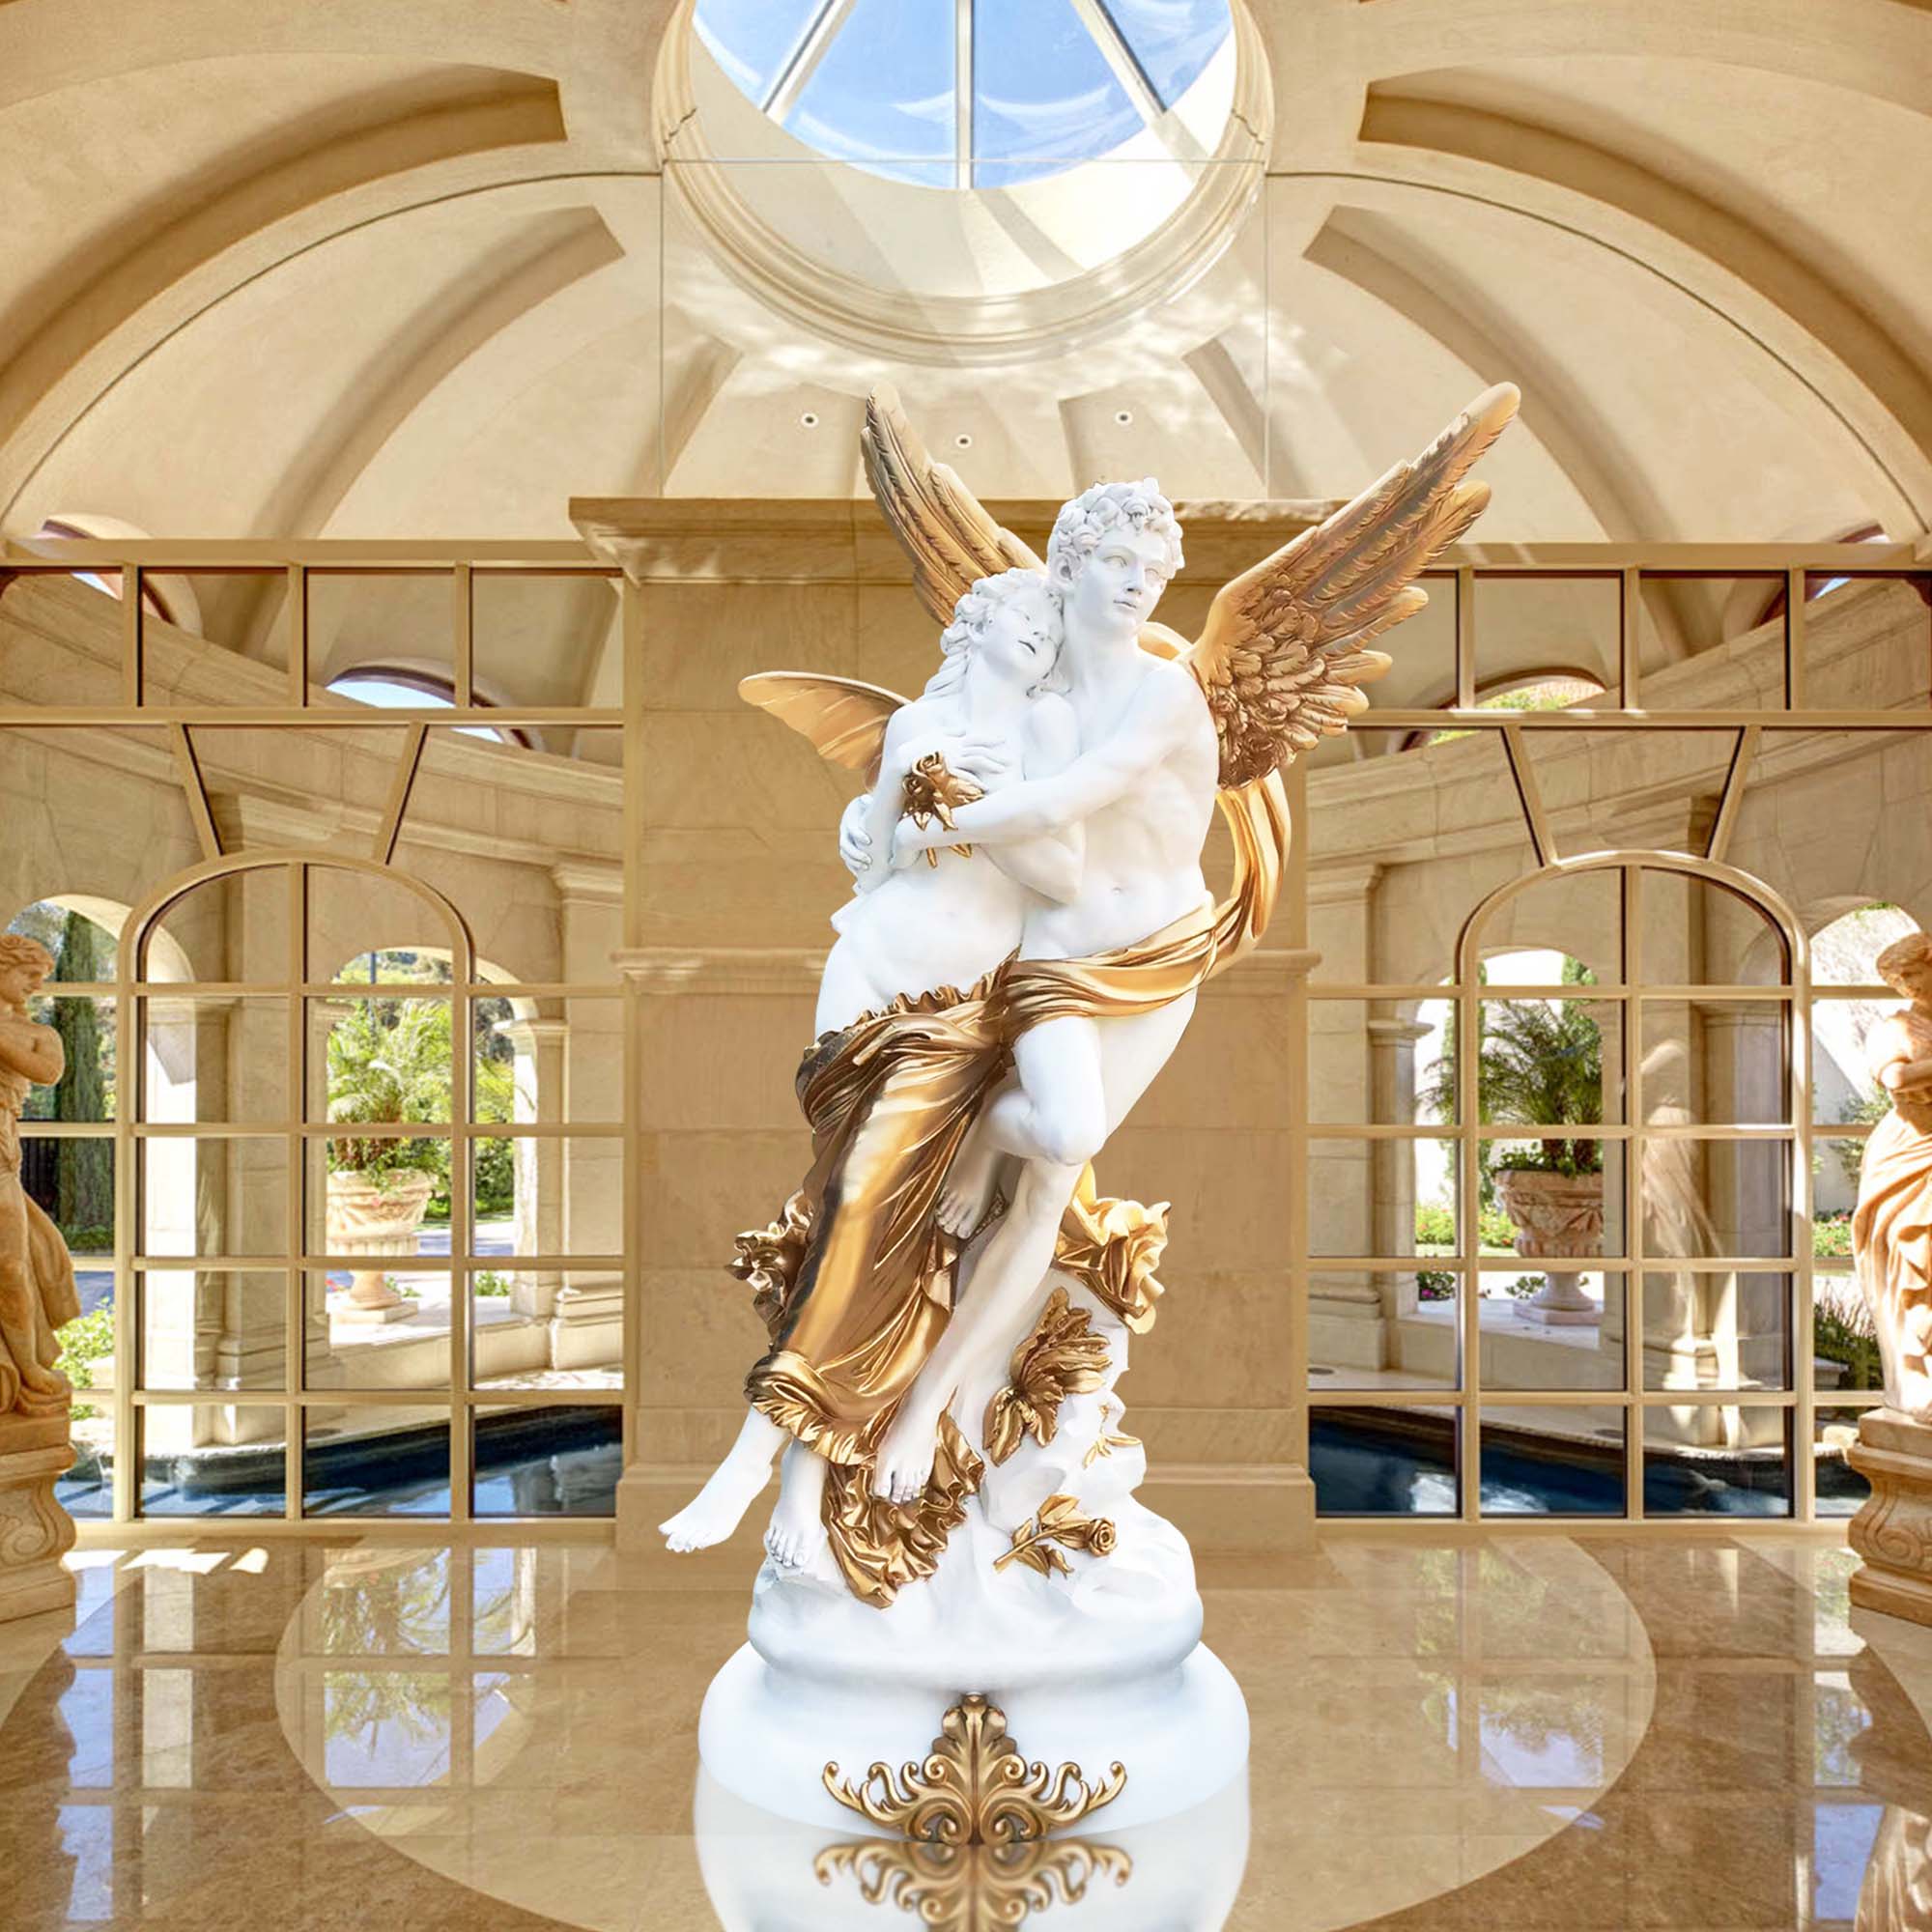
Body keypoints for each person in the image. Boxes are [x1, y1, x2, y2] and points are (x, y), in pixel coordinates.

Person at [661, 568, 1082, 1568]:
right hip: (866, 968)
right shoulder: (909, 728)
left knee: (863, 1201)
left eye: (1049, 625)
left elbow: (1063, 879)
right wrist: (918, 806)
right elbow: (880, 858)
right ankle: (801, 1494)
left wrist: (992, 804)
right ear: (974, 622)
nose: (1038, 632)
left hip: (959, 1001)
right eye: (1023, 615)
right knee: (838, 1207)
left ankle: (754, 1451)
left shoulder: (1048, 731)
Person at [869, 479, 1222, 1504]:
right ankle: (976, 1120)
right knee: (1064, 1135)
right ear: (1065, 566)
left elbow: (1069, 799)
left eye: (1156, 573)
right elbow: (934, 735)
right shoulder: (1035, 689)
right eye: (1122, 564)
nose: (1141, 588)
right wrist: (882, 808)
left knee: (1047, 1188)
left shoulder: (1168, 688)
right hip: (1049, 957)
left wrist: (930, 830)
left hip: (1158, 953)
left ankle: (933, 1400)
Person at [0, 932, 80, 1420]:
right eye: (28, 974)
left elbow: (47, 1071)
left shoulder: (39, 1034)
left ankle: (27, 1364)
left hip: (2, 1150)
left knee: (11, 1263)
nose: (36, 984)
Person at [1854, 930, 1932, 1422]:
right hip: (1906, 1155)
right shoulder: (1896, 1028)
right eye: (1905, 976)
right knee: (1913, 1265)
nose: (1910, 983)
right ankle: (1916, 1381)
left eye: (1916, 972)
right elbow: (1897, 1079)